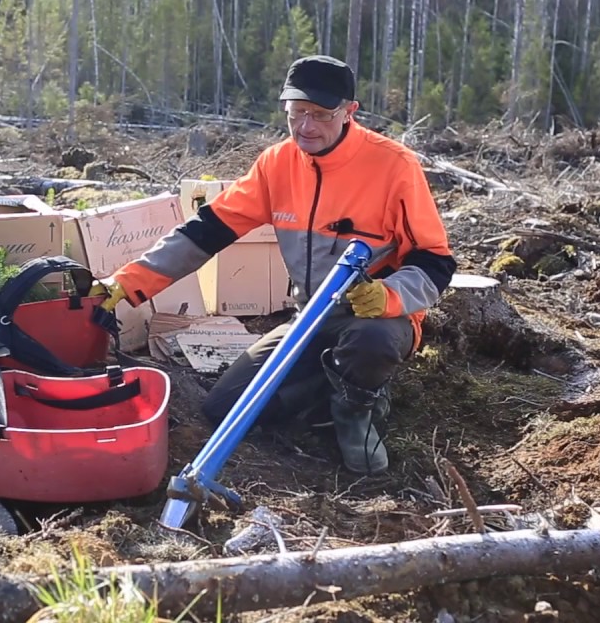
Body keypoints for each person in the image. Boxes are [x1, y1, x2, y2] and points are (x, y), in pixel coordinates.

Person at [90, 55, 456, 475]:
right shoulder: (277, 165)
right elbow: (206, 231)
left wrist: (388, 296)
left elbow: (436, 261)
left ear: (349, 112)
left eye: (320, 114)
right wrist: (128, 282)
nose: (306, 127)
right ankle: (327, 393)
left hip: (374, 318)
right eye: (296, 113)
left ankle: (360, 414)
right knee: (225, 407)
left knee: (369, 342)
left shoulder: (394, 167)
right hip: (308, 319)